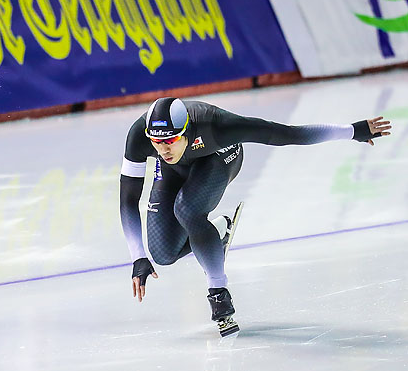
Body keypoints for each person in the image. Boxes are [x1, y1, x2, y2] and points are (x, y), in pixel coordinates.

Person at [119, 96, 390, 334]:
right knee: (163, 254)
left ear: (187, 130)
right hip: (173, 171)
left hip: (218, 158)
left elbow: (288, 134)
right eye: (157, 142)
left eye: (170, 141)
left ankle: (218, 291)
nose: (163, 149)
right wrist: (138, 257)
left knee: (186, 209)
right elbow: (128, 200)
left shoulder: (216, 125)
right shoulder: (139, 137)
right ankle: (216, 232)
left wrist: (352, 131)